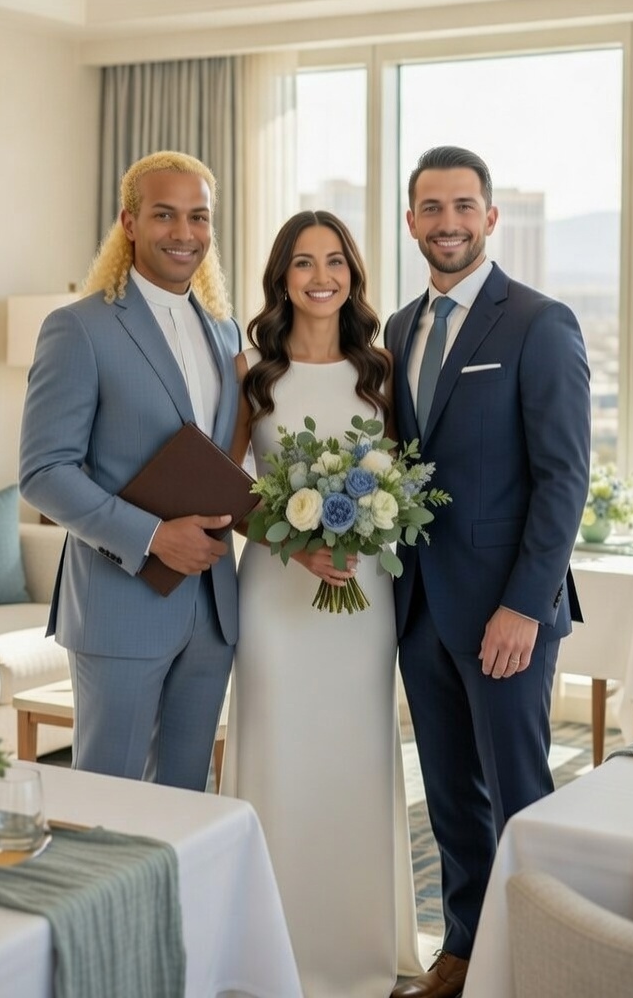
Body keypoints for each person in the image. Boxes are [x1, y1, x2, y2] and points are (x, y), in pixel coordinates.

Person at [385, 146, 591, 998]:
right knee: (449, 799)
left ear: (491, 217)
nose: (448, 224)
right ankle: (464, 951)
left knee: (522, 798)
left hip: (507, 614)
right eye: (431, 208)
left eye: (463, 207)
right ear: (411, 222)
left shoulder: (540, 322)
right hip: (419, 610)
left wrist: (523, 607)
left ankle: (543, 966)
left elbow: (562, 479)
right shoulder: (398, 330)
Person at [220, 209, 423, 997]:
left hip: (364, 602)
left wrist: (373, 525)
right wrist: (288, 536)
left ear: (353, 274)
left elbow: (404, 476)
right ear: (281, 279)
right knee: (279, 757)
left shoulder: (381, 367)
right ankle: (270, 953)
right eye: (302, 263)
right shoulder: (250, 372)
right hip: (274, 595)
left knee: (356, 759)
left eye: (334, 261)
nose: (320, 277)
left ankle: (358, 949)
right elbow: (227, 487)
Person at [19, 150, 242, 791]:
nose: (184, 232)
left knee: (185, 800)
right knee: (106, 804)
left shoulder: (225, 334)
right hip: (121, 604)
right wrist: (149, 536)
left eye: (198, 217)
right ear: (130, 222)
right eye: (164, 214)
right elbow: (43, 471)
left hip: (212, 608)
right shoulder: (78, 329)